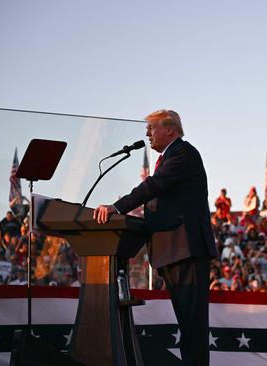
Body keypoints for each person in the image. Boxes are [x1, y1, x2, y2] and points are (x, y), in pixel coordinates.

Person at [93, 109, 217, 366]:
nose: (147, 133)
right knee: (188, 326)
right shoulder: (170, 156)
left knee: (193, 328)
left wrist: (118, 208)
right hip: (174, 251)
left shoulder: (182, 153)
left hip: (187, 251)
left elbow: (154, 186)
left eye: (151, 128)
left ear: (170, 129)